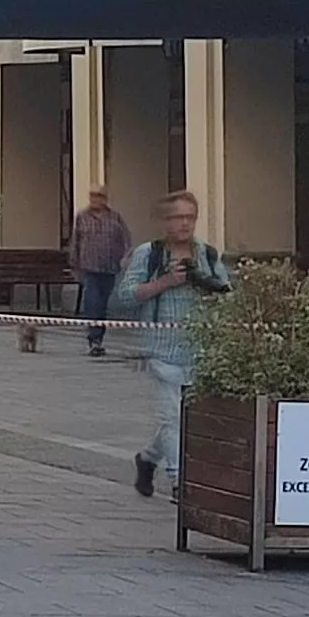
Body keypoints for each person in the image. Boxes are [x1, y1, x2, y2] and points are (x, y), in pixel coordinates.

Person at [116, 190, 232, 501]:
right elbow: (126, 295)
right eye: (178, 217)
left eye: (189, 217)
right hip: (159, 350)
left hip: (199, 350)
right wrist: (167, 281)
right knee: (171, 417)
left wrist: (206, 284)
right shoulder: (149, 254)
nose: (184, 223)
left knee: (186, 418)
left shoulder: (207, 254)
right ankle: (181, 481)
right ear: (165, 221)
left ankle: (148, 458)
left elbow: (227, 293)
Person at [69, 185, 131, 357]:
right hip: (89, 267)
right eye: (93, 195)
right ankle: (93, 340)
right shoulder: (82, 216)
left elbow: (125, 239)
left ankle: (99, 338)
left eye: (100, 196)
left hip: (110, 268)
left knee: (102, 305)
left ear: (105, 198)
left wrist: (124, 257)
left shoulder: (115, 217)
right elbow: (76, 240)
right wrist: (74, 263)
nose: (96, 199)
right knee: (92, 303)